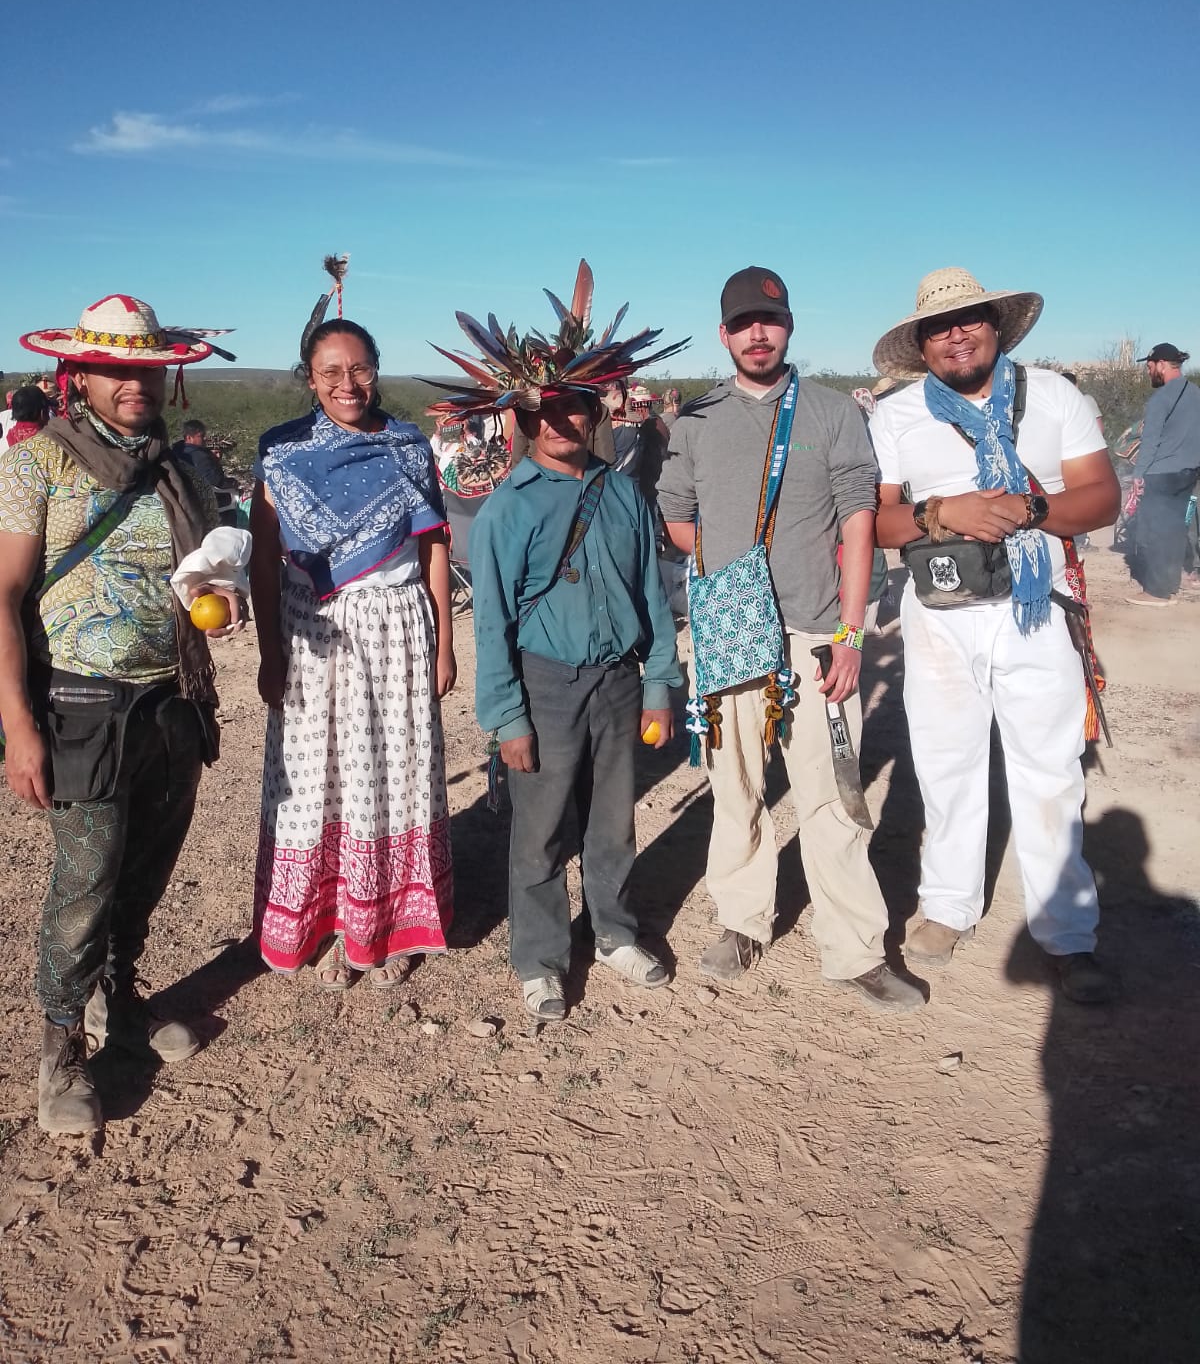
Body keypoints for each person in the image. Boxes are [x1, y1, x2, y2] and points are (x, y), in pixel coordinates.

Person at [0, 294, 243, 1137]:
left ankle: (120, 1001)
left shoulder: (176, 469)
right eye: (114, 368)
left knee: (144, 872)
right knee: (85, 881)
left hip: (171, 699)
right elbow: (2, 594)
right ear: (80, 375)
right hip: (79, 702)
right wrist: (19, 727)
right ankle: (59, 1051)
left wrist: (217, 590)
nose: (132, 382)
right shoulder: (41, 464)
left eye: (144, 368)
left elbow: (201, 571)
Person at [428, 261, 688, 1021]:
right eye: (544, 412)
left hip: (617, 683)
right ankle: (540, 959)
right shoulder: (510, 508)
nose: (561, 422)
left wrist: (659, 682)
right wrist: (506, 719)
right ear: (524, 419)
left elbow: (653, 593)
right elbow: (494, 621)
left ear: (593, 410)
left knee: (612, 822)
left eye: (574, 408)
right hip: (543, 688)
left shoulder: (620, 494)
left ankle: (614, 932)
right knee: (540, 830)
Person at [657, 267, 920, 1011]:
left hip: (815, 632)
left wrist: (851, 633)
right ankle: (743, 922)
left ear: (789, 326)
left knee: (832, 793)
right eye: (742, 322)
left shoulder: (834, 414)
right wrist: (728, 583)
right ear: (724, 334)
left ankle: (856, 949)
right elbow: (677, 518)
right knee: (735, 785)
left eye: (769, 320)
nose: (757, 333)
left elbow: (859, 524)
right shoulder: (697, 422)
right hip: (731, 637)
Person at [870, 267, 1120, 1002]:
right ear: (921, 343)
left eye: (968, 318)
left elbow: (1101, 497)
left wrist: (1028, 508)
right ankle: (948, 906)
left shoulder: (1052, 397)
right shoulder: (898, 415)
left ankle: (1067, 934)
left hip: (1039, 611)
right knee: (946, 763)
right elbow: (875, 522)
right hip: (940, 615)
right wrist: (940, 514)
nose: (955, 333)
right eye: (939, 326)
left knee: (1050, 769)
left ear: (995, 326)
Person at [250, 316, 455, 991]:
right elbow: (263, 561)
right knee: (318, 785)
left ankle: (392, 926)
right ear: (309, 378)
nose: (348, 383)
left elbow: (433, 548)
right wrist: (269, 655)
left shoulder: (407, 446)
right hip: (312, 632)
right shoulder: (280, 451)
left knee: (395, 776)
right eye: (331, 371)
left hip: (397, 629)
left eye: (361, 368)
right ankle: (331, 922)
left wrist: (444, 645)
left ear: (376, 369)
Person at [1125, 343, 1200, 605]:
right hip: (1188, 472)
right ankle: (1171, 584)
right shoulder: (1196, 394)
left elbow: (1151, 441)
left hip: (1161, 473)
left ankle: (1156, 592)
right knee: (1176, 529)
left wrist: (1138, 474)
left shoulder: (1161, 398)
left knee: (1154, 531)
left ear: (1162, 365)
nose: (1148, 372)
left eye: (1149, 366)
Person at [172, 418, 240, 524]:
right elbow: (216, 481)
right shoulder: (200, 456)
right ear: (189, 437)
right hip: (212, 504)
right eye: (201, 436)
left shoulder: (177, 452)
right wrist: (233, 483)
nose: (204, 438)